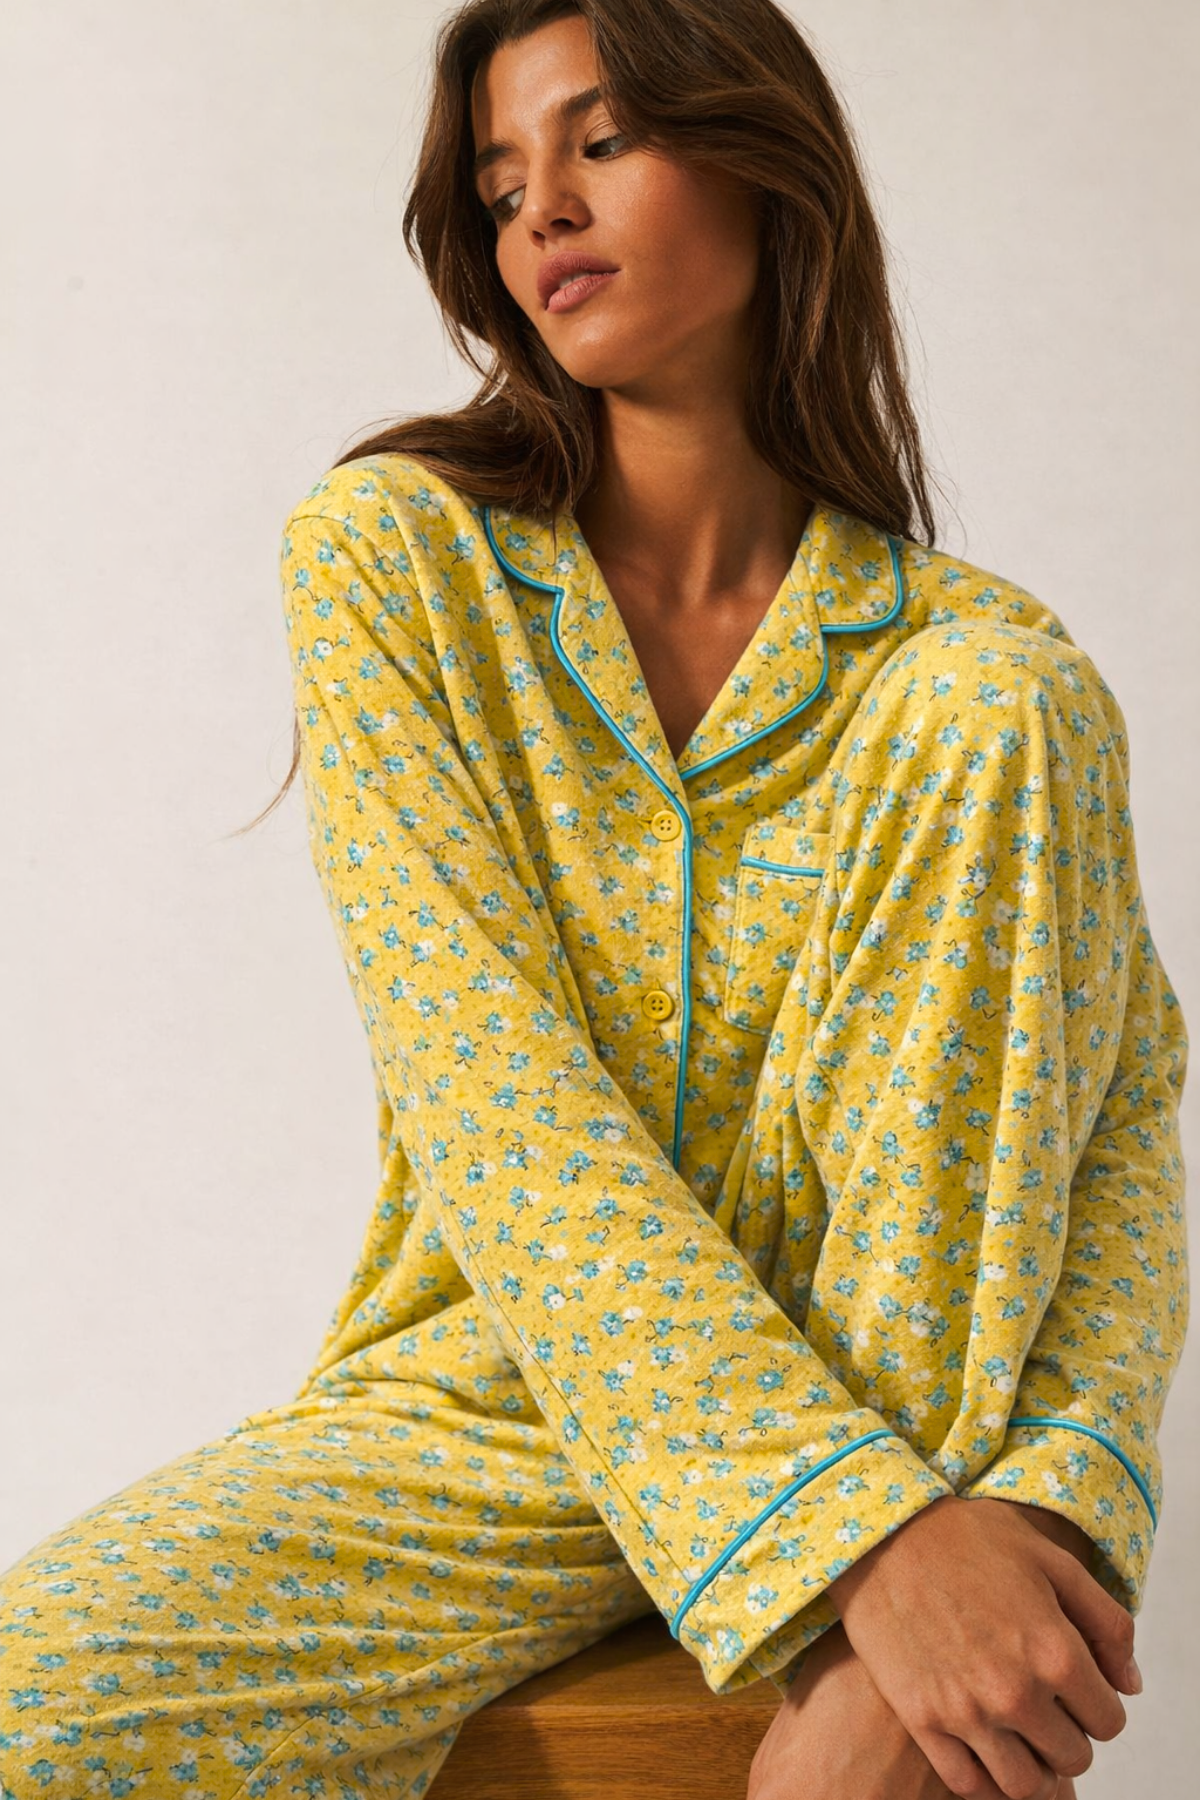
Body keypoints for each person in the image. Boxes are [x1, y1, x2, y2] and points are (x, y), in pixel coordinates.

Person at [0, 3, 1187, 1797]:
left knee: (1000, 705)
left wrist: (1040, 1513)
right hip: (509, 1410)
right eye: (500, 187)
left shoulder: (980, 678)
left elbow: (1115, 1140)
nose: (541, 208)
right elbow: (493, 1099)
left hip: (911, 1404)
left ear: (765, 160)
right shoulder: (400, 562)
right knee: (35, 1706)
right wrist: (858, 1535)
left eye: (604, 140)